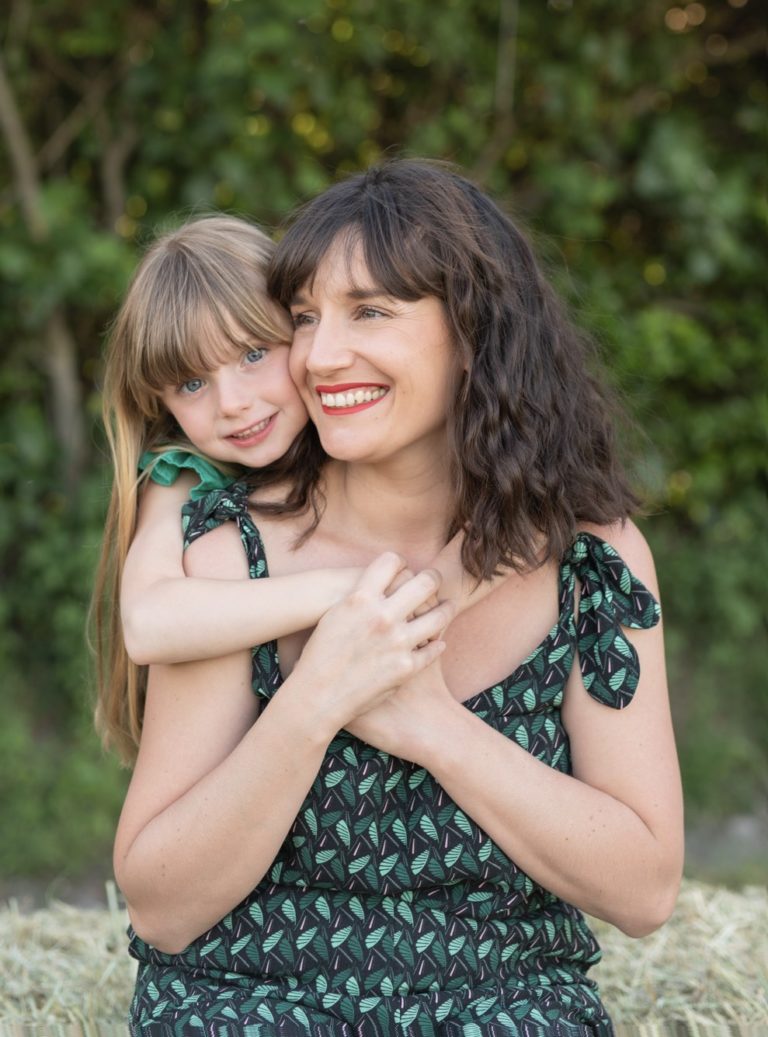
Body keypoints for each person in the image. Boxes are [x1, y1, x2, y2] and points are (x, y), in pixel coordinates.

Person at [113, 161, 684, 1035]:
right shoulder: (233, 553)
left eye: (369, 311)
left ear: (473, 330)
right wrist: (318, 696)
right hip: (248, 1001)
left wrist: (432, 725)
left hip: (505, 1006)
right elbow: (158, 907)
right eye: (303, 318)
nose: (321, 353)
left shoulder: (592, 559)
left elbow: (644, 888)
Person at [93, 214, 464, 766]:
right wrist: (343, 591)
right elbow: (147, 624)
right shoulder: (184, 475)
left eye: (253, 354)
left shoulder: (356, 427)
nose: (232, 403)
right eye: (192, 384)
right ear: (158, 404)